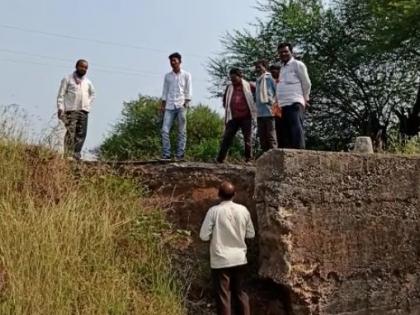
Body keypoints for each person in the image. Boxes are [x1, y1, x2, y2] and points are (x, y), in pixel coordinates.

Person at [199, 181, 255, 315]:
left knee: (224, 296)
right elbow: (251, 234)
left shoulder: (214, 211)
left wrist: (216, 234)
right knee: (241, 293)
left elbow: (203, 236)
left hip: (220, 260)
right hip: (239, 258)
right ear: (234, 194)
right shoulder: (243, 210)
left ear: (219, 195)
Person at [57, 59, 96, 160]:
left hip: (83, 110)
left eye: (86, 68)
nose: (84, 69)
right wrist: (60, 108)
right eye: (82, 67)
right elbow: (61, 95)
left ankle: (76, 154)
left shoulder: (88, 82)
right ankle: (68, 154)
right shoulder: (67, 79)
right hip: (71, 110)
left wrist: (88, 104)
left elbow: (93, 94)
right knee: (71, 131)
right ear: (76, 66)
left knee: (81, 133)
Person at [216, 68, 256, 163]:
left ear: (240, 76)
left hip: (246, 116)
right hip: (233, 117)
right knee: (227, 138)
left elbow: (258, 95)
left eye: (234, 78)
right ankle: (220, 159)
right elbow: (225, 100)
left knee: (247, 139)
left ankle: (248, 159)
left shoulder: (249, 85)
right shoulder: (229, 87)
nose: (233, 80)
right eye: (231, 79)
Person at [276, 42, 311, 149]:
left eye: (286, 51)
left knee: (296, 129)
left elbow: (306, 83)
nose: (283, 54)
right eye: (281, 52)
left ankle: (299, 154)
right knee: (284, 133)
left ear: (291, 52)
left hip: (295, 102)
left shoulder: (298, 64)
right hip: (282, 104)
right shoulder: (281, 68)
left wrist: (305, 98)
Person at [160, 52, 192, 161]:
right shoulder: (167, 76)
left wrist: (186, 103)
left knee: (182, 131)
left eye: (174, 60)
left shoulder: (186, 75)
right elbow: (165, 91)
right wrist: (163, 105)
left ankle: (180, 155)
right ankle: (166, 154)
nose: (172, 63)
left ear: (180, 61)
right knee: (164, 130)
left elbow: (188, 90)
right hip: (169, 106)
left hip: (181, 105)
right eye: (171, 61)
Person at [254, 60, 277, 152]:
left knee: (271, 135)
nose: (257, 69)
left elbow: (277, 92)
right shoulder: (257, 80)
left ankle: (274, 157)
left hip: (270, 111)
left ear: (265, 67)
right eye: (256, 67)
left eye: (259, 67)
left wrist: (272, 102)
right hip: (259, 112)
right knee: (262, 137)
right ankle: (265, 158)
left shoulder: (270, 77)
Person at [269, 64, 282, 147]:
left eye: (275, 71)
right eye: (272, 72)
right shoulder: (271, 82)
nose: (273, 74)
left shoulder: (283, 81)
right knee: (277, 128)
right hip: (275, 108)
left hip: (284, 106)